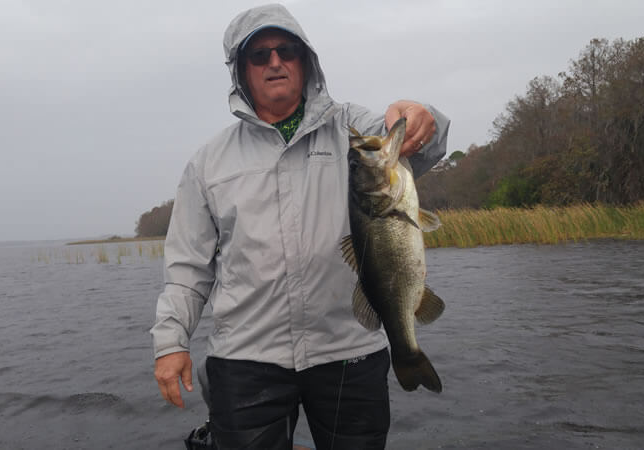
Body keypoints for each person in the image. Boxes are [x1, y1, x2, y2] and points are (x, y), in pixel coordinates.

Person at [152, 4, 450, 449]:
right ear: (241, 71)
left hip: (349, 349)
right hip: (246, 358)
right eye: (260, 55)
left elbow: (421, 146)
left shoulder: (355, 131)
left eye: (286, 50)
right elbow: (187, 267)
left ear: (305, 59)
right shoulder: (208, 162)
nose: (275, 62)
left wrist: (422, 116)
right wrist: (171, 341)